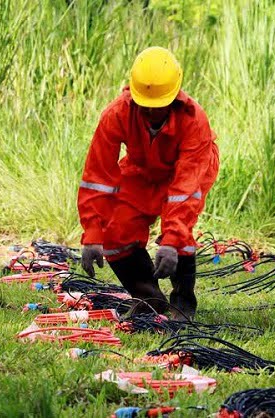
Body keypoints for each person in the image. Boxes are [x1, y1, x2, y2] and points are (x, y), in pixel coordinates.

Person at [77, 46, 219, 319]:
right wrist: (92, 233)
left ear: (175, 95)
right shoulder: (116, 114)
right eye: (146, 105)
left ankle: (183, 304)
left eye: (159, 105)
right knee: (116, 229)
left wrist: (171, 241)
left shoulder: (194, 120)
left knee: (181, 232)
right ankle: (149, 299)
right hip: (142, 169)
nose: (152, 112)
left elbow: (185, 189)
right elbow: (98, 177)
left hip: (189, 169)